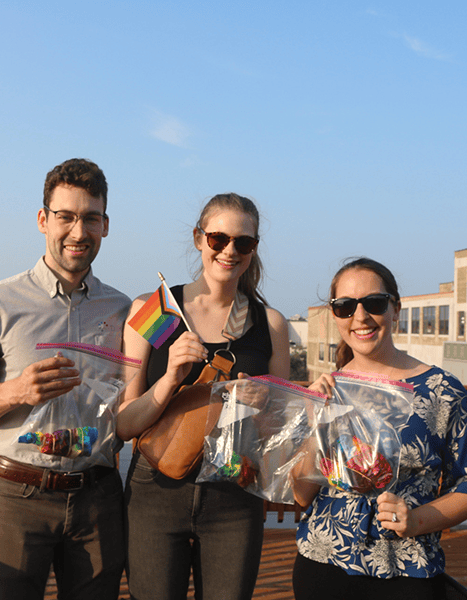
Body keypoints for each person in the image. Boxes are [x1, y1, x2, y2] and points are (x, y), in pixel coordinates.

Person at [0, 158, 130, 600]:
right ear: (43, 219)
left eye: (91, 218)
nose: (78, 232)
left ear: (106, 225)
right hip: (17, 495)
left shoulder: (123, 311)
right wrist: (14, 391)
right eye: (65, 216)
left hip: (97, 497)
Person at [117, 193, 290, 600]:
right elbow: (123, 424)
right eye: (218, 239)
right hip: (155, 489)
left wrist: (264, 404)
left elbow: (281, 432)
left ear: (253, 248)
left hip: (235, 494)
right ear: (199, 239)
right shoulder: (155, 310)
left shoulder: (271, 324)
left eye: (242, 242)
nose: (230, 250)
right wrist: (169, 379)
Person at [292, 257, 467, 600]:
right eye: (345, 306)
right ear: (336, 316)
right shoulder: (327, 390)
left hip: (406, 567)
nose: (360, 316)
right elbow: (302, 494)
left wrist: (416, 521)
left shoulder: (441, 390)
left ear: (395, 310)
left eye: (374, 303)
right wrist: (314, 420)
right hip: (322, 561)